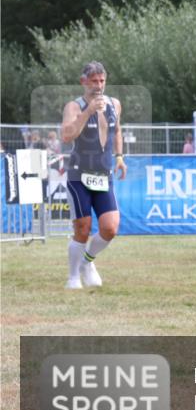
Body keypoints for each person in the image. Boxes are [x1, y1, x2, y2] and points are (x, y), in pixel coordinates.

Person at [60, 62, 127, 289]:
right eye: (94, 81)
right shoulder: (74, 106)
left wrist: (119, 157)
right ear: (83, 82)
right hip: (79, 175)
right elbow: (66, 136)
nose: (98, 86)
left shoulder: (114, 104)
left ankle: (87, 262)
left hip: (104, 174)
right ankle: (72, 277)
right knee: (83, 227)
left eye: (102, 81)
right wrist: (88, 111)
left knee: (110, 227)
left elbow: (117, 131)